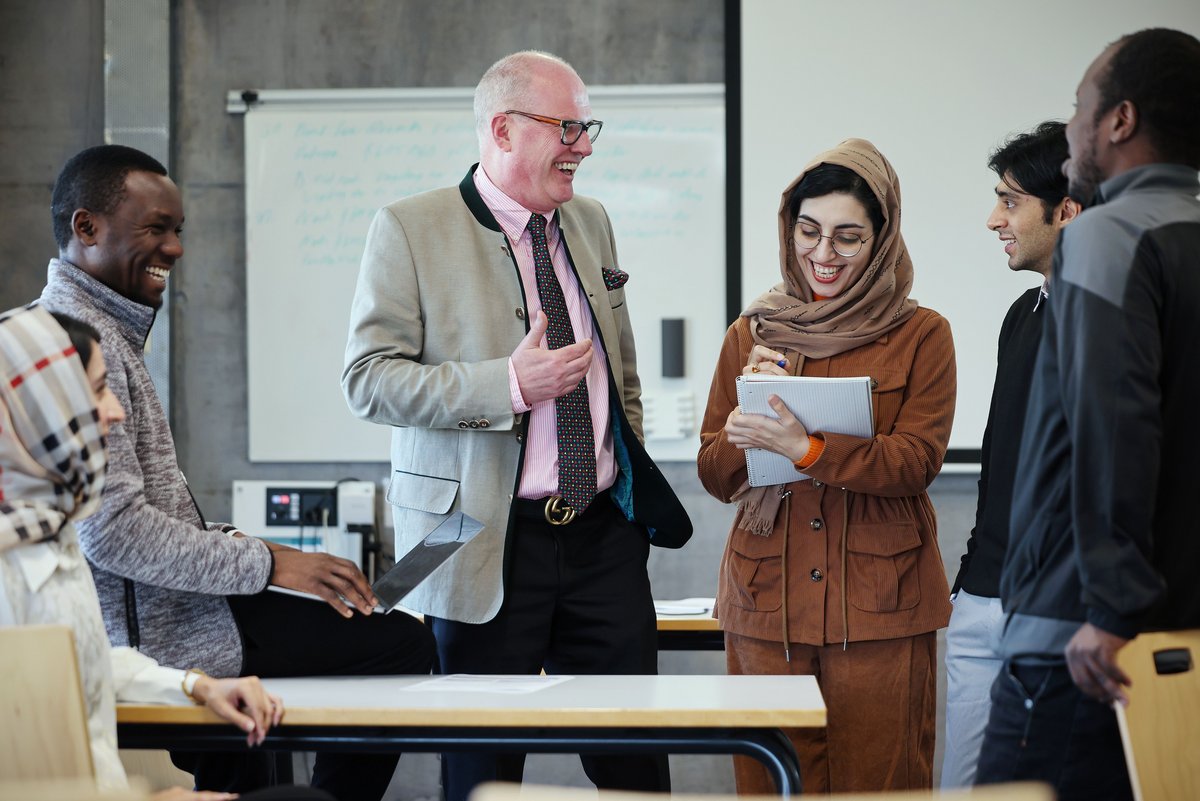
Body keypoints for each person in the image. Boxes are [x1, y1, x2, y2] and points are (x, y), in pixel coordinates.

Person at [38, 144, 436, 801]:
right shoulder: (79, 341)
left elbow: (148, 517)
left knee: (373, 642)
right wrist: (272, 564)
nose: (175, 248)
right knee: (397, 642)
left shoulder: (106, 331)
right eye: (155, 229)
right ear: (86, 228)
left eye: (178, 230)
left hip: (187, 611)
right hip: (167, 633)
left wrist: (265, 556)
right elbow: (114, 533)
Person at [342, 50, 690, 801]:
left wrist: (626, 490)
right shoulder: (408, 228)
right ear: (502, 129)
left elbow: (617, 370)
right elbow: (367, 380)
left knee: (637, 760)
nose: (585, 145)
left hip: (600, 535)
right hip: (471, 536)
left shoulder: (590, 220)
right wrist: (506, 383)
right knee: (483, 763)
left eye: (586, 125)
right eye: (568, 126)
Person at [976, 28, 1200, 801]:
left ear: (1120, 120)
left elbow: (1114, 426)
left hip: (1081, 633)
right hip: (1179, 623)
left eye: (1080, 105)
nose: (1072, 124)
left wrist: (1108, 608)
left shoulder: (1107, 236)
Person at [697, 138, 956, 793]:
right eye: (809, 232)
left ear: (883, 238)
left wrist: (807, 450)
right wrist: (741, 434)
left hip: (879, 605)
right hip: (766, 603)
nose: (823, 254)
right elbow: (715, 473)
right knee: (770, 782)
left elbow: (916, 462)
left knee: (881, 781)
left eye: (848, 237)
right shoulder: (752, 333)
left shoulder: (923, 333)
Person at [0, 304, 333, 801]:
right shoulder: (11, 568)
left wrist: (197, 686)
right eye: (95, 392)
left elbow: (82, 664)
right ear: (43, 411)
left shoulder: (50, 534)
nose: (114, 411)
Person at [939, 122, 1080, 788]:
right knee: (961, 786)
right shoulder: (1023, 312)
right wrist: (969, 580)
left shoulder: (1113, 322)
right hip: (981, 596)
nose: (994, 217)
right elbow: (1002, 463)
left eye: (1011, 200)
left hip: (1053, 613)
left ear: (1067, 210)